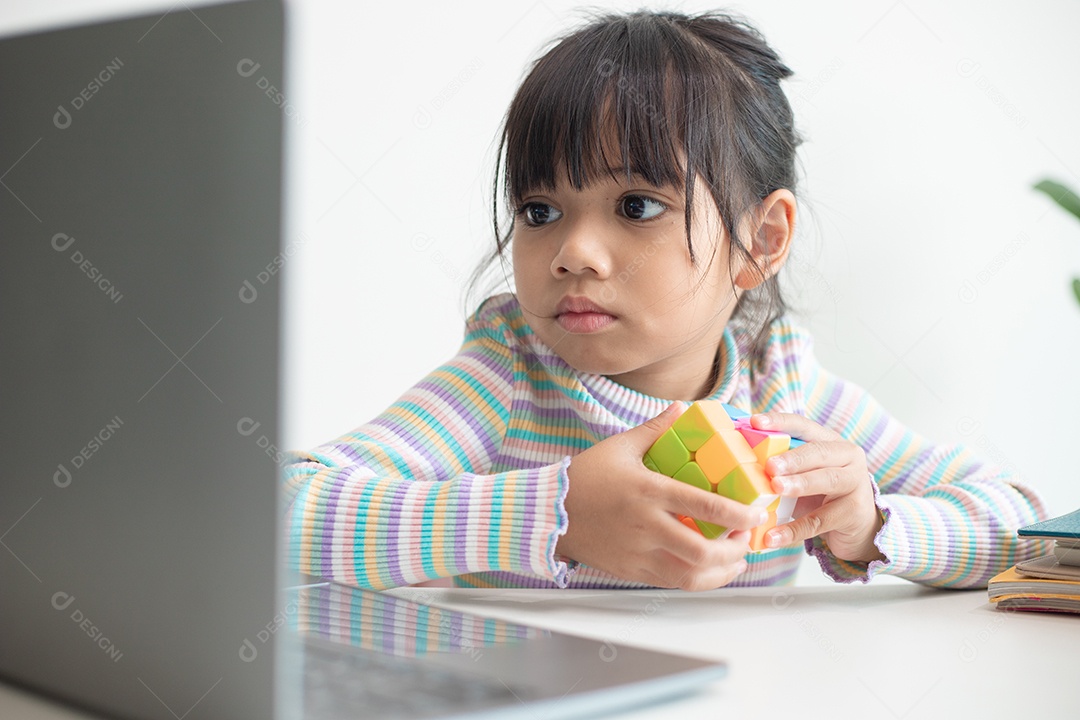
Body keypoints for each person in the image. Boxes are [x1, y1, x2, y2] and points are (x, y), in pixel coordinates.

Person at [282, 9, 1048, 591]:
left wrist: (869, 524)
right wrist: (559, 514)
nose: (573, 252)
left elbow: (1023, 525)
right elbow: (278, 510)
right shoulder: (511, 375)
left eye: (637, 206)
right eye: (540, 211)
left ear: (763, 240)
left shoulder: (779, 386)